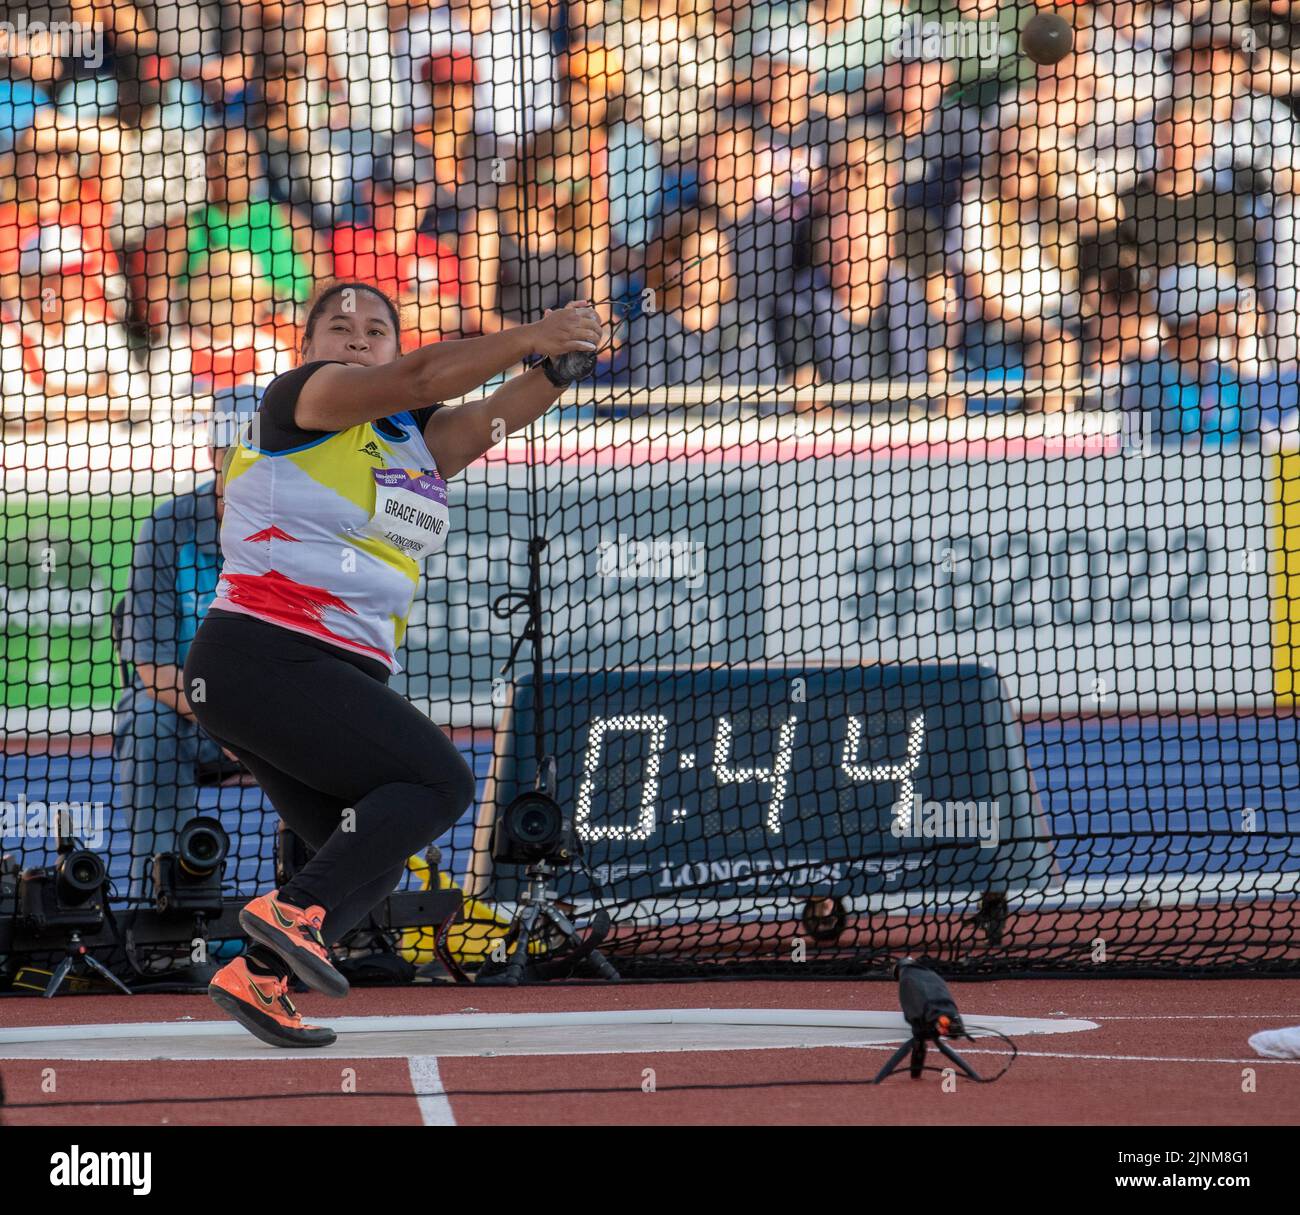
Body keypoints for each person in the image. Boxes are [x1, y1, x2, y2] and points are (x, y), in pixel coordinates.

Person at [187, 278, 601, 1047]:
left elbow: (486, 418)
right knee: (440, 781)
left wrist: (557, 368)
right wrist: (534, 332)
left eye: (376, 327)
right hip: (262, 653)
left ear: (392, 342)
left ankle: (259, 974)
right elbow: (418, 378)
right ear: (308, 349)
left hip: (312, 675)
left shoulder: (415, 444)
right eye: (338, 325)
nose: (356, 333)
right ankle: (287, 914)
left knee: (368, 858)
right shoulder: (302, 400)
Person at [114, 386, 261, 912]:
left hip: (277, 717)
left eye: (261, 449)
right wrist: (224, 724)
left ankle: (322, 915)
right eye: (235, 450)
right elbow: (151, 669)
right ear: (211, 455)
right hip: (188, 718)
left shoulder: (299, 527)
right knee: (147, 723)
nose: (248, 461)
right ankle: (166, 910)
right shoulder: (168, 526)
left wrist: (263, 723)